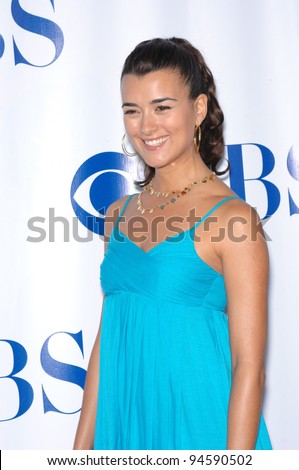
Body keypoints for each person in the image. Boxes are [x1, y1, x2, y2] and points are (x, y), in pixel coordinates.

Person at [73, 37, 272, 450]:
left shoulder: (234, 219)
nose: (146, 126)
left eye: (162, 107)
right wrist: (79, 452)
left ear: (198, 109)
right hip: (126, 425)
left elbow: (248, 368)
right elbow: (107, 340)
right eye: (132, 110)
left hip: (202, 427)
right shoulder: (117, 215)